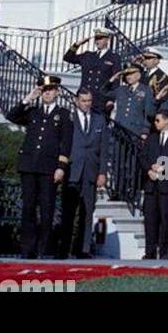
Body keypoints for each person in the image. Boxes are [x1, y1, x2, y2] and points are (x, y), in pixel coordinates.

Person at [9, 75, 73, 259]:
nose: (47, 93)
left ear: (57, 92)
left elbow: (66, 142)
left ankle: (42, 249)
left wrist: (61, 166)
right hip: (29, 165)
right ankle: (27, 249)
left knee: (47, 209)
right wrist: (28, 98)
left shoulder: (64, 115)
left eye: (51, 90)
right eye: (44, 90)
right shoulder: (33, 112)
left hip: (49, 167)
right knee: (28, 208)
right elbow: (12, 116)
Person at [61, 88, 110, 258]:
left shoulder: (99, 120)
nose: (86, 104)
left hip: (91, 171)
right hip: (72, 170)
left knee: (87, 212)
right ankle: (63, 249)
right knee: (68, 212)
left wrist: (102, 172)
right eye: (83, 101)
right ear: (76, 101)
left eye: (89, 101)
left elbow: (104, 148)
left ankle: (83, 249)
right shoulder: (68, 118)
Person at [140, 108, 168, 260]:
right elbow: (143, 157)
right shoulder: (152, 138)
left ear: (167, 120)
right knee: (150, 220)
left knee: (167, 220)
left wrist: (163, 168)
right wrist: (149, 170)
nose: (156, 123)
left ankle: (164, 251)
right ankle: (150, 251)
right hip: (152, 185)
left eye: (158, 120)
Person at [63, 30, 121, 115]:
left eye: (100, 38)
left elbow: (116, 80)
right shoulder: (88, 55)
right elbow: (68, 58)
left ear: (107, 39)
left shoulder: (114, 57)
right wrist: (77, 44)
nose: (97, 41)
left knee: (98, 126)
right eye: (96, 39)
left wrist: (111, 100)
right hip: (84, 97)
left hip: (101, 99)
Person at [110, 62, 155, 138]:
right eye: (127, 74)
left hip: (135, 130)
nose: (128, 77)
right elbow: (104, 92)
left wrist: (145, 131)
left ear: (138, 76)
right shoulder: (121, 89)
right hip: (119, 128)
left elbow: (148, 112)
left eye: (131, 74)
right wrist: (112, 79)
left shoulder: (146, 90)